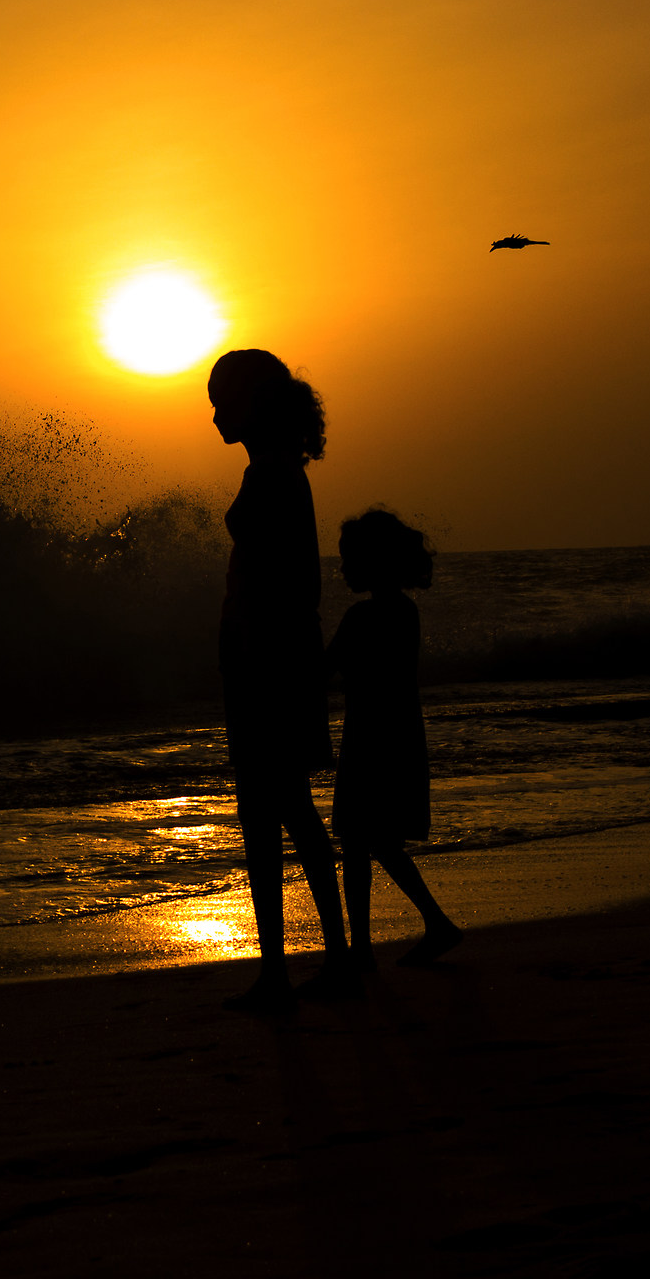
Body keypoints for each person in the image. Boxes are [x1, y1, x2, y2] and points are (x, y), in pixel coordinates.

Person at [208, 348, 354, 1013]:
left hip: (267, 662)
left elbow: (283, 585)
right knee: (285, 811)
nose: (213, 415)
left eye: (222, 400)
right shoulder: (281, 471)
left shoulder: (270, 476)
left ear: (252, 404)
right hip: (274, 657)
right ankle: (327, 957)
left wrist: (253, 648)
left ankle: (287, 967)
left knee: (271, 817)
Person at [328, 508, 462, 967]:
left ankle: (363, 949)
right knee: (382, 841)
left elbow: (324, 671)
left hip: (369, 738)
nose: (341, 568)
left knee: (355, 841)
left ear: (372, 562)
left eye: (348, 560)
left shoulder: (360, 616)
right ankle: (433, 924)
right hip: (402, 734)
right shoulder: (405, 611)